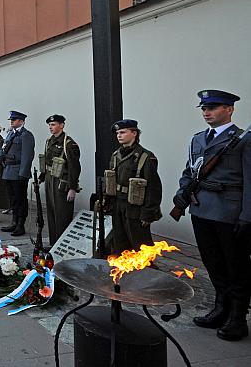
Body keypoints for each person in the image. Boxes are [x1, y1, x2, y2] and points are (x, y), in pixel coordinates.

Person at [173, 90, 250, 341]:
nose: (207, 112)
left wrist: (247, 215)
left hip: (230, 212)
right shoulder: (197, 139)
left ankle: (238, 318)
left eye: (214, 107)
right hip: (201, 208)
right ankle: (220, 308)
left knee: (236, 266)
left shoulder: (242, 140)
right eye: (204, 108)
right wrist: (181, 192)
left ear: (229, 110)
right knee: (213, 262)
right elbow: (190, 170)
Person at [105, 119, 162, 255]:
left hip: (135, 207)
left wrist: (148, 213)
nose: (119, 135)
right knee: (119, 242)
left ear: (134, 133)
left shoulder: (146, 157)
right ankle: (122, 271)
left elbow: (153, 188)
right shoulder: (115, 155)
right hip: (118, 204)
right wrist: (107, 201)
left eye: (123, 132)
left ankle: (146, 272)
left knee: (140, 243)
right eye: (118, 133)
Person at [39, 115, 81, 245]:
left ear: (61, 125)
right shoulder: (49, 141)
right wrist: (42, 176)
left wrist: (72, 188)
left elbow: (75, 168)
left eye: (54, 125)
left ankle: (62, 246)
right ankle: (53, 245)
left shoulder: (68, 144)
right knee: (51, 214)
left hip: (62, 183)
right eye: (50, 125)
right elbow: (47, 161)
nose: (51, 127)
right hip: (50, 180)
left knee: (62, 216)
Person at [0, 111, 35, 237]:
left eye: (15, 119)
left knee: (20, 200)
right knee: (12, 199)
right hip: (8, 171)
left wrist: (23, 174)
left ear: (21, 121)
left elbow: (27, 156)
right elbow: (3, 148)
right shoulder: (10, 134)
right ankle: (14, 222)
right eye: (11, 120)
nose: (12, 121)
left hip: (18, 172)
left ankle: (20, 225)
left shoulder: (26, 135)